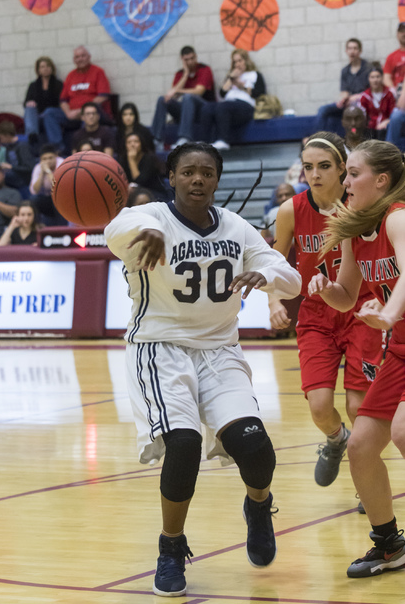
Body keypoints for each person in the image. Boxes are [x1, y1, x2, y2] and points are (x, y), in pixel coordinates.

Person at [104, 142, 301, 597]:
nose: (198, 180)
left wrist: (264, 275)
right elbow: (119, 227)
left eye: (207, 173)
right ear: (171, 177)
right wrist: (148, 233)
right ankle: (171, 547)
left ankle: (258, 506)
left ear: (217, 179)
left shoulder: (236, 227)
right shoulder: (150, 216)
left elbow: (290, 277)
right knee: (185, 444)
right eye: (188, 172)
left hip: (220, 350)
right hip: (160, 349)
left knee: (254, 448)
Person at [308, 139, 405, 578]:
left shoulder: (398, 217)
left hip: (397, 330)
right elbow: (348, 297)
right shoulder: (351, 228)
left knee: (401, 430)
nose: (344, 182)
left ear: (381, 180)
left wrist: (387, 312)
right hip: (400, 348)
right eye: (345, 173)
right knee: (362, 447)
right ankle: (388, 544)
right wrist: (330, 291)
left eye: (353, 173)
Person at [268, 132, 384, 493]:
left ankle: (368, 482)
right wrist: (274, 301)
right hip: (317, 315)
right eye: (307, 167)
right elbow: (271, 261)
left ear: (341, 169)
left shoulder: (361, 207)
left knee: (357, 405)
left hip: (360, 310)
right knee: (319, 407)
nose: (314, 174)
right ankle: (336, 440)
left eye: (323, 166)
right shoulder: (291, 210)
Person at [42, 46, 111, 151]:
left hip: (90, 113)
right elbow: (63, 100)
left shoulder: (98, 72)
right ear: (74, 60)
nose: (80, 59)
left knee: (88, 114)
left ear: (89, 57)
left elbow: (103, 96)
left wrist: (82, 111)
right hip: (72, 115)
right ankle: (58, 149)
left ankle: (84, 149)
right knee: (49, 113)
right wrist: (68, 112)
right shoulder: (71, 75)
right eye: (77, 57)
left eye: (83, 56)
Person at [200, 49, 266, 150]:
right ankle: (204, 142)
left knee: (223, 107)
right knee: (207, 107)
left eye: (240, 61)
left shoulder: (255, 75)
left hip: (246, 106)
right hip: (228, 104)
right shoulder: (231, 76)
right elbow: (222, 93)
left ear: (246, 60)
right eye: (235, 62)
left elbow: (260, 93)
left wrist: (241, 86)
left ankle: (223, 140)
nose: (237, 64)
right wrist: (231, 78)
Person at [151, 46, 215, 150]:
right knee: (162, 99)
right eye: (187, 60)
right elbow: (173, 96)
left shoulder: (204, 69)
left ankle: (185, 137)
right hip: (186, 111)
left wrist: (177, 91)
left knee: (188, 97)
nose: (190, 62)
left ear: (196, 56)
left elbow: (199, 91)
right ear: (182, 60)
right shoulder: (180, 74)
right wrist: (185, 75)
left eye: (192, 58)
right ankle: (157, 139)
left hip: (203, 110)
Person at [314, 38, 371, 134]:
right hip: (348, 102)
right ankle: (319, 140)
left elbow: (372, 91)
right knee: (323, 109)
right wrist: (343, 100)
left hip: (363, 102)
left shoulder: (368, 68)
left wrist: (355, 97)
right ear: (346, 51)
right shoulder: (345, 71)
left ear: (360, 51)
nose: (352, 51)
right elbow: (344, 91)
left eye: (355, 48)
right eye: (350, 48)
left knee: (352, 112)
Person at [23, 56, 63, 146]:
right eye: (42, 67)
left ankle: (56, 145)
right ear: (38, 70)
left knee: (48, 112)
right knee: (29, 109)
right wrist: (29, 103)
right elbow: (26, 102)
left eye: (48, 66)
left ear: (52, 68)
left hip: (52, 113)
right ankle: (32, 136)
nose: (45, 69)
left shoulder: (58, 84)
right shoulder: (33, 85)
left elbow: (59, 102)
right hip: (38, 115)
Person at [120, 131, 168, 201]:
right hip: (134, 193)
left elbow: (140, 181)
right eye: (129, 142)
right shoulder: (123, 159)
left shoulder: (149, 158)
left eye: (136, 141)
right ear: (125, 145)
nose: (132, 144)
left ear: (141, 144)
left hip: (154, 193)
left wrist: (131, 160)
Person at [0, 120, 36, 198]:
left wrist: (11, 167)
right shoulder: (7, 147)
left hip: (23, 179)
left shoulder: (22, 146)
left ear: (7, 135)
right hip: (14, 176)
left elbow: (30, 167)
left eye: (1, 137)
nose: (0, 140)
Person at [29, 144, 66, 225]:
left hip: (62, 199)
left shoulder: (62, 164)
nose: (48, 161)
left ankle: (62, 229)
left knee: (56, 198)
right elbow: (34, 191)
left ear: (56, 156)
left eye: (50, 158)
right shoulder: (38, 167)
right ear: (40, 160)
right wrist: (42, 173)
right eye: (44, 159)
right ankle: (38, 228)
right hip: (47, 200)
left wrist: (48, 171)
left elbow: (58, 187)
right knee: (34, 200)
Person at [359, 66, 395, 140]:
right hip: (370, 128)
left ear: (382, 78)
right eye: (372, 77)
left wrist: (386, 122)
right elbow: (362, 115)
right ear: (368, 79)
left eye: (378, 77)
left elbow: (393, 113)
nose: (375, 80)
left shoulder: (389, 93)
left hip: (385, 126)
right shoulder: (365, 96)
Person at [383, 22, 405, 91]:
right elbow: (386, 78)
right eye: (401, 31)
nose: (404, 34)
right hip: (398, 92)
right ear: (397, 35)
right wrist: (393, 91)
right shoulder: (391, 57)